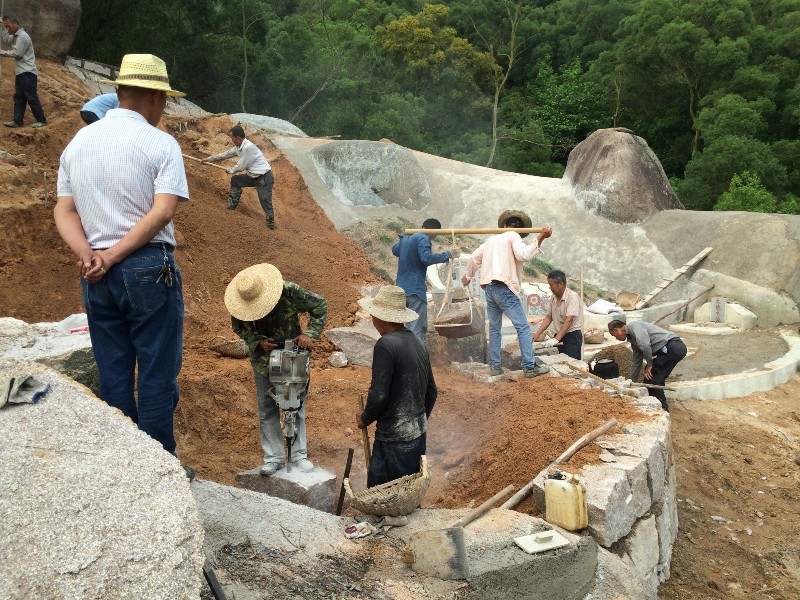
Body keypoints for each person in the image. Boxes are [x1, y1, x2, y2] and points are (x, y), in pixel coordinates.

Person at [54, 54, 188, 454]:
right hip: (146, 265)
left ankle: (123, 462)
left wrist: (89, 254)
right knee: (156, 374)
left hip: (94, 271)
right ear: (153, 97)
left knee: (113, 373)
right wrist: (113, 255)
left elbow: (64, 209)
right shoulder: (160, 143)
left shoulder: (78, 143)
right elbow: (163, 210)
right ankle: (158, 465)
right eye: (164, 100)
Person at [225, 263, 327, 475]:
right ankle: (274, 458)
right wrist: (256, 340)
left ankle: (299, 456)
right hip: (263, 361)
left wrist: (310, 334)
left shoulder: (289, 291)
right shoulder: (239, 301)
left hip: (293, 357)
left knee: (295, 405)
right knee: (267, 408)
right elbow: (238, 327)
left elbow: (320, 306)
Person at [355, 285, 437, 487]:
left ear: (382, 317)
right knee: (409, 492)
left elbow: (379, 394)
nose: (373, 320)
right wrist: (416, 420)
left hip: (393, 437)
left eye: (373, 315)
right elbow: (432, 392)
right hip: (417, 434)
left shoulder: (385, 345)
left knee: (385, 496)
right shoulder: (419, 344)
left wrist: (365, 418)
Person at [461, 209, 553, 378]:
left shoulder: (490, 240)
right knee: (524, 328)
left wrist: (468, 276)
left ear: (503, 225)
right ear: (518, 229)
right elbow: (524, 255)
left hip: (489, 288)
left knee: (495, 329)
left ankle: (495, 366)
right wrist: (540, 237)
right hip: (504, 288)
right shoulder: (513, 236)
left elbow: (474, 258)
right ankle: (529, 367)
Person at [392, 218, 457, 343]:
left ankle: (404, 359)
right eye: (436, 234)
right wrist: (447, 254)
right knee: (417, 329)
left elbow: (394, 250)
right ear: (432, 231)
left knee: (405, 327)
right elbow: (426, 258)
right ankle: (416, 360)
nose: (434, 238)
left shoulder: (407, 238)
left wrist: (405, 240)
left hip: (401, 290)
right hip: (415, 289)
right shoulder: (423, 238)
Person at [202, 125, 276, 229]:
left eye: (232, 137)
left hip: (264, 177)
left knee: (264, 200)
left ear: (237, 137)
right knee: (236, 180)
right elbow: (226, 154)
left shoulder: (248, 147)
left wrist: (230, 170)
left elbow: (241, 166)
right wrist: (209, 159)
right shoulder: (239, 147)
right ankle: (231, 206)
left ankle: (270, 226)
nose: (231, 140)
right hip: (252, 176)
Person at [607, 319, 687, 411]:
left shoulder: (634, 325)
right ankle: (658, 406)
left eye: (614, 335)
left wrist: (649, 364)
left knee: (652, 379)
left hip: (672, 346)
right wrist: (631, 382)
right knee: (654, 378)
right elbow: (636, 362)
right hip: (670, 350)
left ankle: (662, 409)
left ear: (616, 330)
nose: (615, 338)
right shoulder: (633, 341)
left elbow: (645, 345)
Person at [1, 15, 47, 128]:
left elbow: (17, 53)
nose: (8, 29)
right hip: (21, 72)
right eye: (6, 27)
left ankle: (41, 120)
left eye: (8, 26)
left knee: (31, 97)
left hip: (27, 72)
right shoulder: (16, 36)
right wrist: (2, 26)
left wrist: (2, 52)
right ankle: (17, 121)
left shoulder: (22, 37)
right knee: (19, 97)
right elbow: (6, 39)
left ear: (15, 23)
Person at [533, 270, 583, 360]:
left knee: (572, 365)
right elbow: (548, 317)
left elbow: (569, 320)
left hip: (572, 337)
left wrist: (556, 339)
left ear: (560, 284)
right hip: (559, 335)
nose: (549, 287)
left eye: (551, 285)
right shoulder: (553, 297)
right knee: (560, 362)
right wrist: (537, 334)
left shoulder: (572, 297)